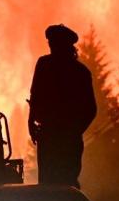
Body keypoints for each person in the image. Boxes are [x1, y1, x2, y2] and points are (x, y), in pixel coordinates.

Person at [27, 24, 96, 188]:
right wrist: (31, 122)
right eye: (50, 42)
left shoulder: (79, 72)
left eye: (54, 42)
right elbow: (35, 96)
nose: (51, 46)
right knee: (53, 184)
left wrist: (72, 131)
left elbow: (90, 109)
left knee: (63, 184)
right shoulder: (47, 65)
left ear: (65, 45)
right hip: (52, 136)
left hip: (57, 137)